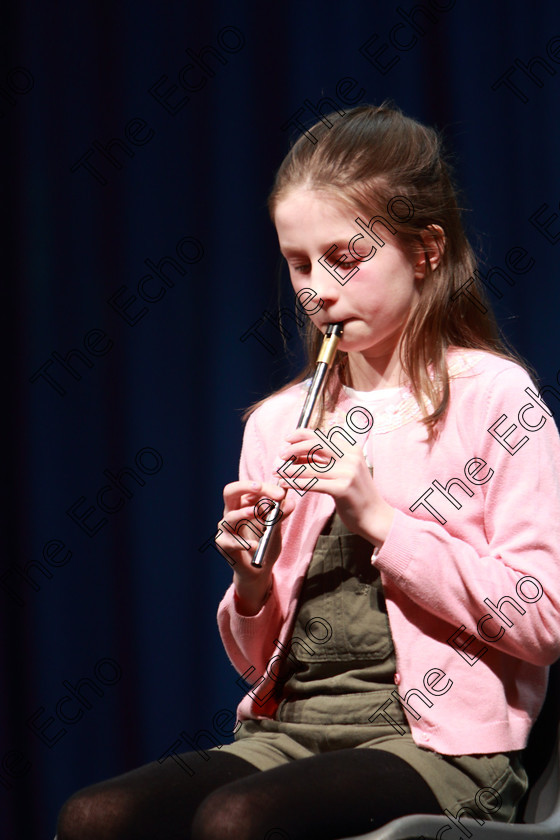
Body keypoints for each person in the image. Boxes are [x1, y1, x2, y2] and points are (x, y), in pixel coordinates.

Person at [56, 104, 560, 840]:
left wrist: (383, 521)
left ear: (425, 250)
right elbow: (258, 662)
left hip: (442, 749)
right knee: (96, 816)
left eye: (344, 258)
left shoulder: (494, 399)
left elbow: (540, 620)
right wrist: (250, 583)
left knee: (240, 821)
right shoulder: (278, 421)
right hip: (292, 731)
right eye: (298, 262)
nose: (316, 287)